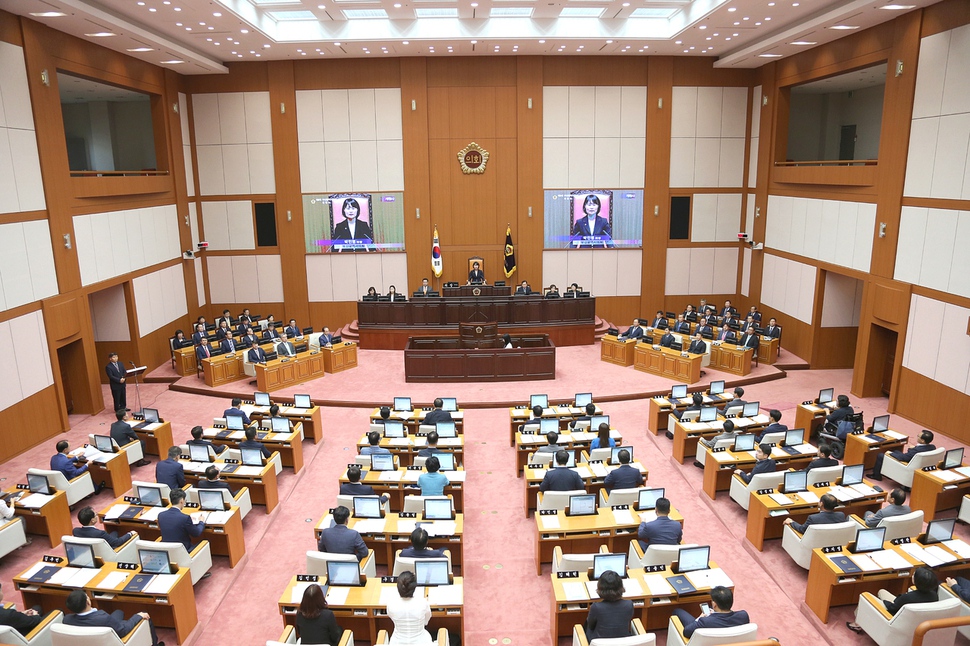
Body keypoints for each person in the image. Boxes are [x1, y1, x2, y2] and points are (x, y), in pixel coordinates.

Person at [847, 567, 938, 634]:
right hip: (912, 618)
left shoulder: (908, 597)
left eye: (914, 575)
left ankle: (857, 623)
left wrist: (885, 603)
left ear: (917, 581)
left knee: (866, 597)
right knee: (881, 592)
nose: (912, 576)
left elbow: (892, 608)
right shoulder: (934, 596)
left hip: (893, 616)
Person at [63, 589, 162, 646]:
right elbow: (123, 631)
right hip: (116, 637)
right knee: (143, 615)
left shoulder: (66, 620)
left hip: (94, 634)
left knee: (119, 612)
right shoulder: (102, 618)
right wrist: (138, 616)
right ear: (88, 602)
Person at [672, 586, 749, 640]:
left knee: (677, 611)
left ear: (715, 604)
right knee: (710, 609)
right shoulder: (743, 616)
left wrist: (699, 618)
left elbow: (686, 632)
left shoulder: (704, 622)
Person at [386, 571, 433, 644]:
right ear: (414, 588)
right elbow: (426, 620)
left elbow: (391, 617)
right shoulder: (423, 603)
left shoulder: (391, 604)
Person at [584, 570, 634, 639]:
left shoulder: (596, 607)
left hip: (600, 643)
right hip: (622, 642)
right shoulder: (629, 604)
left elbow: (591, 625)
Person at [869, 430, 935, 481]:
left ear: (923, 441)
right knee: (896, 451)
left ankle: (876, 475)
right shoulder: (932, 447)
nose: (917, 436)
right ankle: (888, 473)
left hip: (906, 464)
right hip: (917, 463)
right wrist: (913, 448)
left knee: (881, 455)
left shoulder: (916, 451)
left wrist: (889, 453)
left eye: (918, 436)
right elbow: (915, 452)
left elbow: (904, 458)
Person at [158, 489, 206, 554]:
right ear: (181, 501)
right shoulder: (185, 518)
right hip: (183, 551)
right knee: (206, 541)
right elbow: (196, 533)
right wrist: (201, 522)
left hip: (167, 550)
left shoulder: (161, 515)